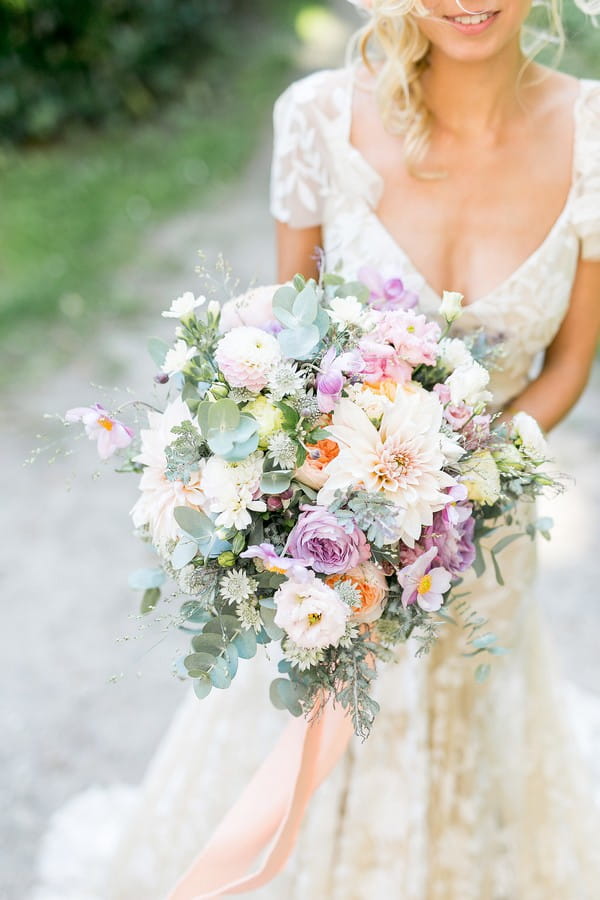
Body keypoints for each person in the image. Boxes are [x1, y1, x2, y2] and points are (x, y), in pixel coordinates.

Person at [33, 0, 600, 897]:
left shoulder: (593, 131)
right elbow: (284, 351)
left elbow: (572, 357)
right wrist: (313, 493)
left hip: (486, 534)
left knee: (474, 728)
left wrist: (471, 479)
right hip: (334, 542)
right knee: (303, 730)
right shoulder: (318, 117)